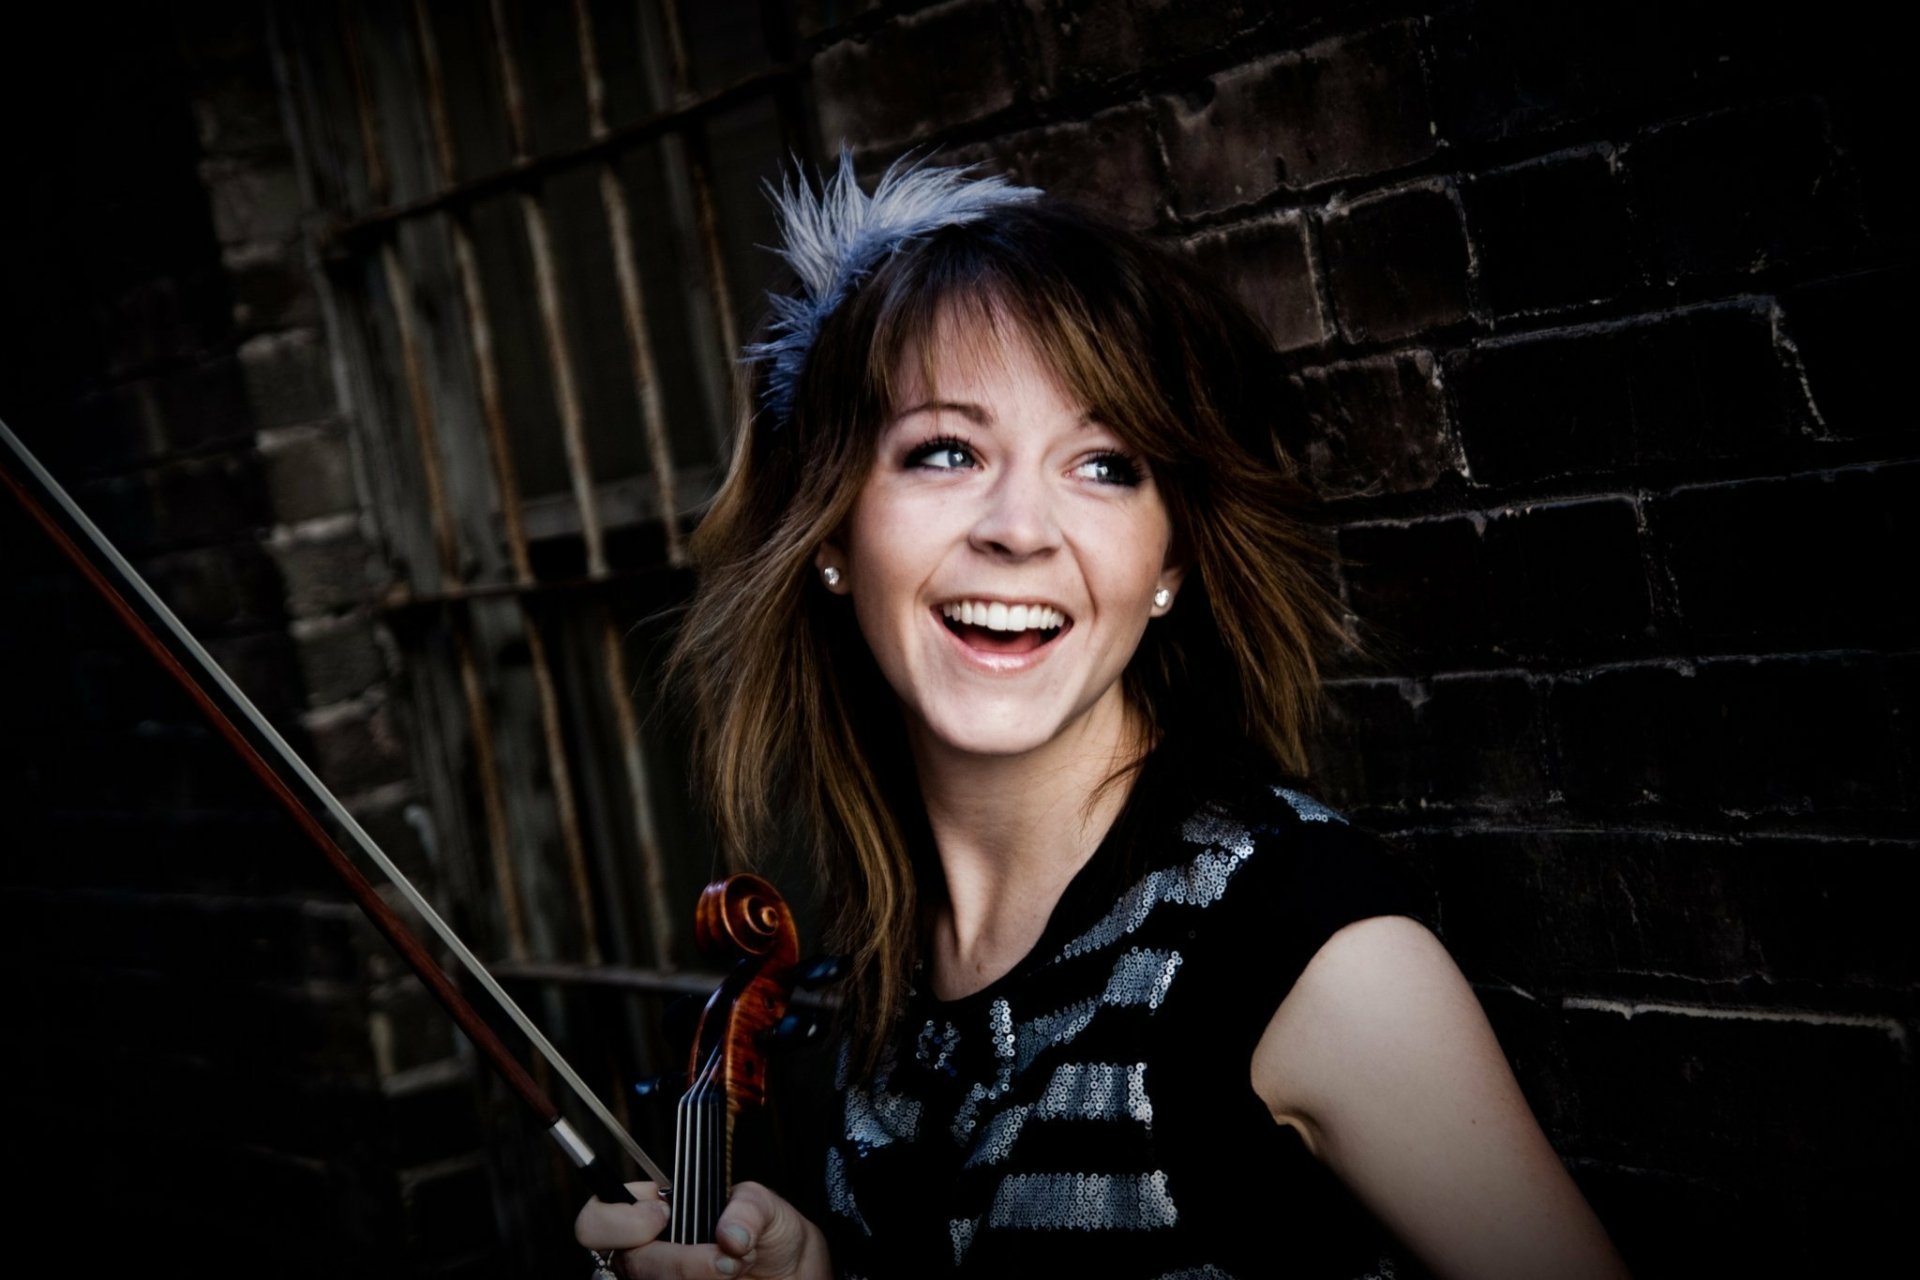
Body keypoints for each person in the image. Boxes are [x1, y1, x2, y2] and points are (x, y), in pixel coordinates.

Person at [578, 155, 1629, 1279]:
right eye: (946, 450)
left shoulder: (1307, 949)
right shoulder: (877, 977)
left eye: (1103, 463)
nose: (1020, 527)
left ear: (1169, 559)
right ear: (833, 533)